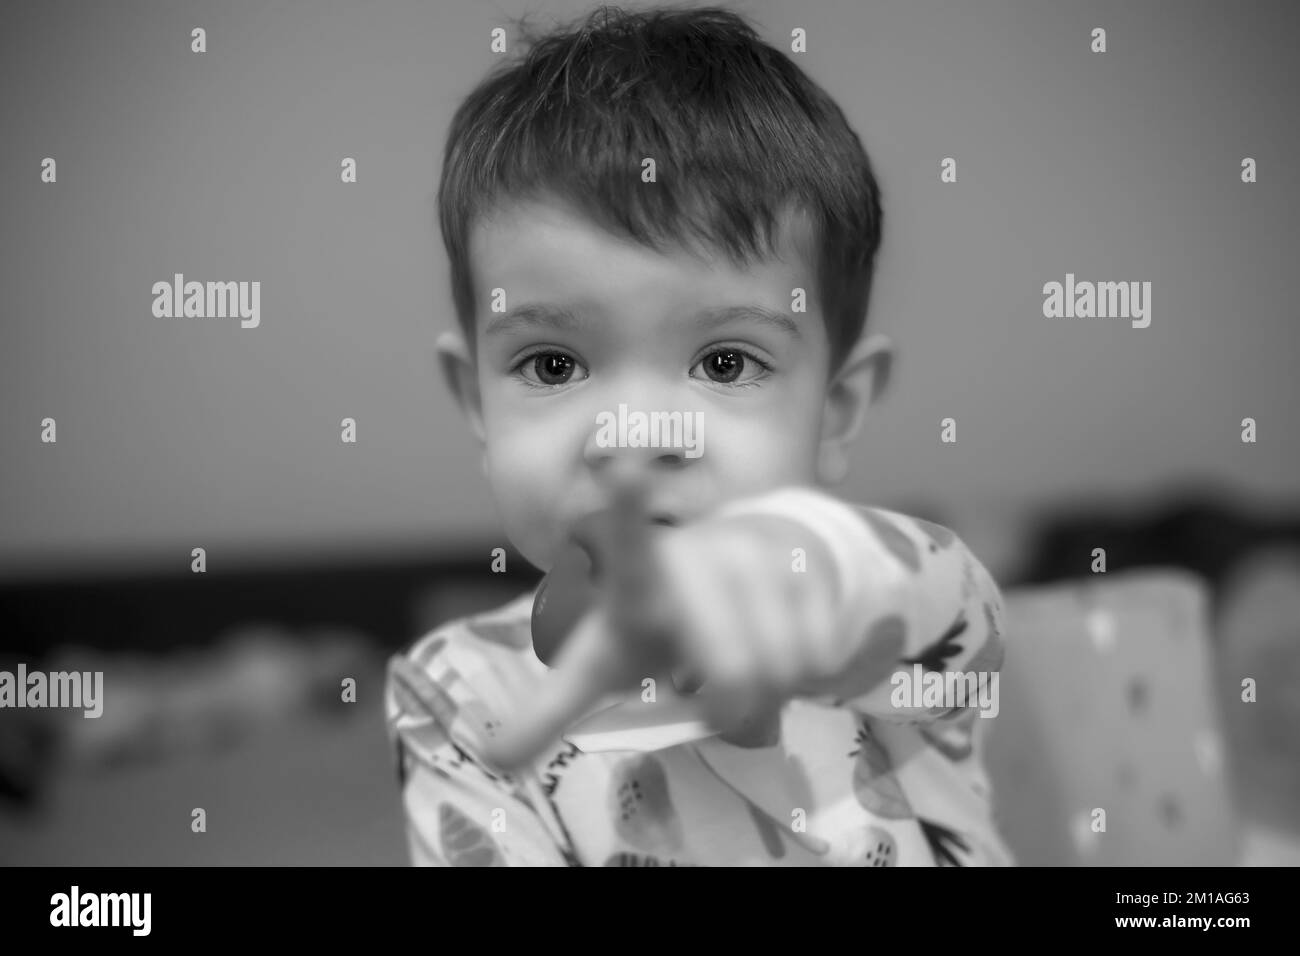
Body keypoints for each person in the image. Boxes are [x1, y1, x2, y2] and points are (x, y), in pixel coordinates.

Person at [384, 4, 1013, 866]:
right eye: (553, 365)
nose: (635, 435)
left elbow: (964, 608)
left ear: (835, 408)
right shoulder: (457, 697)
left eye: (724, 364)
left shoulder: (889, 614)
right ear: (476, 404)